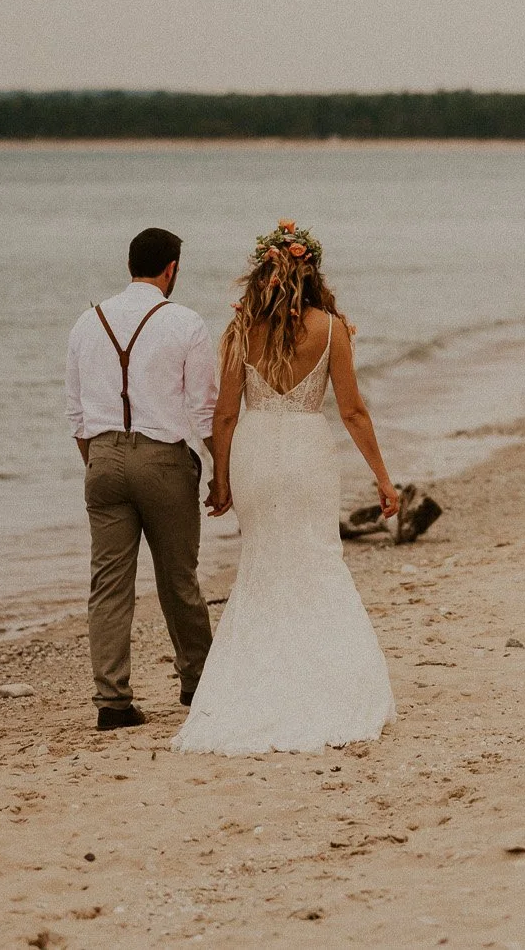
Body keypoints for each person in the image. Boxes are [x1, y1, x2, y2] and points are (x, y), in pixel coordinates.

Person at [172, 221, 398, 755]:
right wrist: (383, 479)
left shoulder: (239, 330)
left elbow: (225, 414)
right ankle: (330, 684)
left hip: (255, 451)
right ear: (311, 271)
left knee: (264, 562)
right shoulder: (332, 329)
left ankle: (254, 684)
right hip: (306, 452)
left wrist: (220, 478)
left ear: (263, 275)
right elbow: (352, 410)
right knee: (318, 558)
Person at [65, 226, 218, 731]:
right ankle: (197, 682)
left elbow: (77, 415)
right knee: (178, 579)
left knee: (108, 584)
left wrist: (100, 458)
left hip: (102, 459)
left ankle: (112, 701)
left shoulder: (87, 322)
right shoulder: (185, 323)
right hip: (163, 462)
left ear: (131, 264)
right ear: (170, 269)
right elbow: (203, 410)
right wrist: (222, 471)